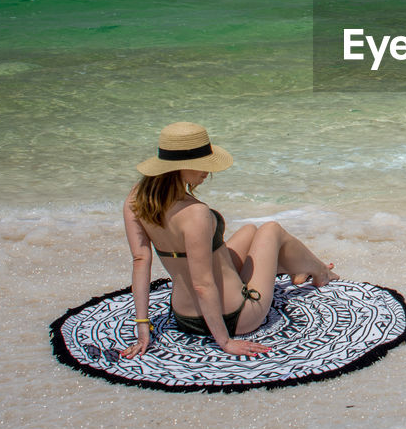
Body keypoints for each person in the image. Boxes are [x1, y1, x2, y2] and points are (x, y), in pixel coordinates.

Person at [120, 121, 338, 358]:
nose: (208, 172)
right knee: (271, 230)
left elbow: (140, 260)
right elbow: (202, 285)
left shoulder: (136, 198)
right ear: (178, 167)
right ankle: (320, 272)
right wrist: (224, 341)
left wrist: (143, 328)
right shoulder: (195, 214)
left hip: (184, 317)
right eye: (201, 165)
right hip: (236, 316)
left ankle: (296, 268)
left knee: (248, 231)